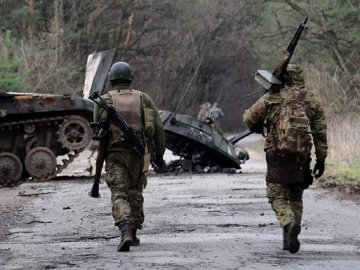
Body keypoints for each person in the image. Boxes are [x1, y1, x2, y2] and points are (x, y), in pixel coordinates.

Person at [243, 64, 327, 254]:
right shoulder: (311, 100)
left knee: (276, 195)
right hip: (301, 157)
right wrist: (321, 159)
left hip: (277, 154)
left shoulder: (272, 97)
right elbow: (320, 132)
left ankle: (288, 223)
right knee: (296, 196)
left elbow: (248, 118)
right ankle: (289, 237)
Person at [93, 61, 166, 252]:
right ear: (130, 78)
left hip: (115, 155)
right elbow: (158, 129)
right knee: (135, 193)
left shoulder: (103, 100)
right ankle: (132, 233)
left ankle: (124, 229)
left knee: (119, 193)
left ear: (111, 79)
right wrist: (159, 154)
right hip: (138, 155)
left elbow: (98, 131)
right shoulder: (144, 99)